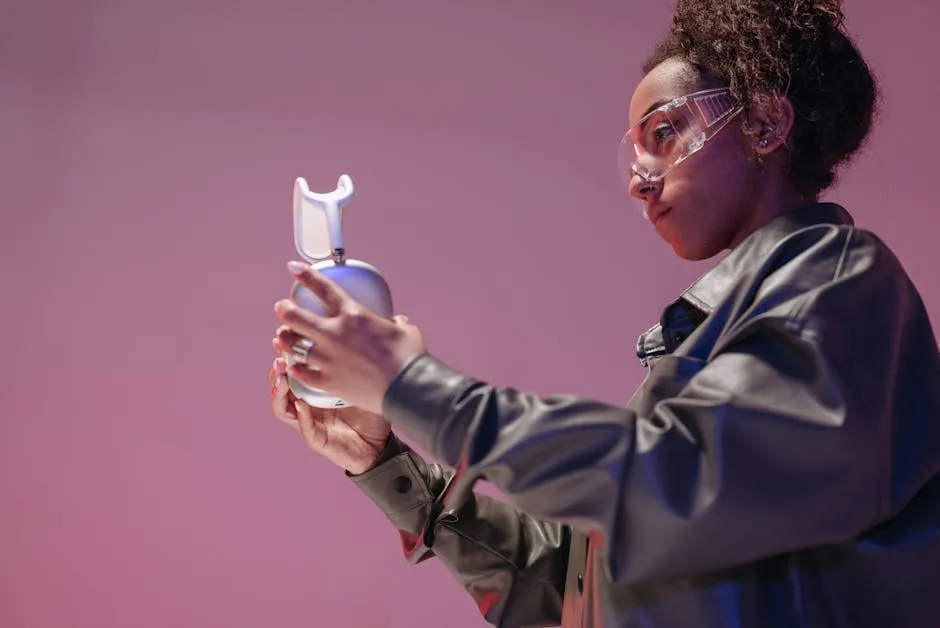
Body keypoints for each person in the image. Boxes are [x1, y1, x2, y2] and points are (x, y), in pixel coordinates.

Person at [268, 0, 940, 626]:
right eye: (634, 150)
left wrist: (413, 387)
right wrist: (382, 461)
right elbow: (565, 592)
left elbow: (674, 487)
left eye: (664, 132)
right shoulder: (712, 347)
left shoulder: (841, 281)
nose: (638, 178)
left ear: (764, 125)